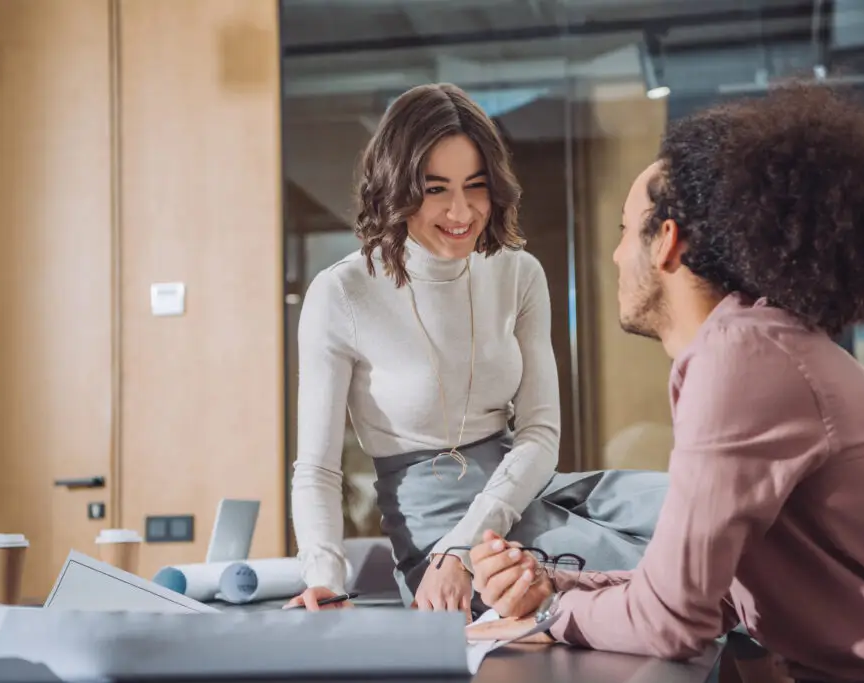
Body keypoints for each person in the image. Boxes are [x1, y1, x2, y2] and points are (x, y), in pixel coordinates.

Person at [466, 82, 864, 682]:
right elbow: (714, 591)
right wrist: (553, 586)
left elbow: (672, 620)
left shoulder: (743, 359)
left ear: (667, 242)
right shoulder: (755, 348)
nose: (616, 255)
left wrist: (548, 614)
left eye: (626, 229)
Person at [285, 82, 668, 616]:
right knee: (663, 574)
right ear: (397, 187)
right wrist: (326, 581)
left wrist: (471, 538)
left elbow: (539, 434)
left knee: (690, 512)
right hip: (434, 538)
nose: (461, 210)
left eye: (476, 186)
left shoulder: (518, 272)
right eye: (436, 189)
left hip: (522, 491)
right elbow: (318, 469)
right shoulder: (342, 292)